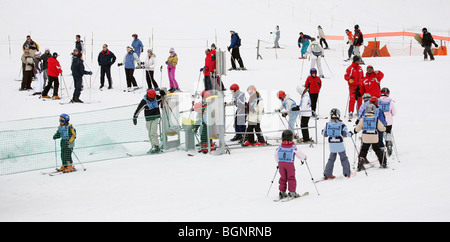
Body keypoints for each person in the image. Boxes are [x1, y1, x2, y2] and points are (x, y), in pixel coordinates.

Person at [274, 129, 307, 200]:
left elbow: (276, 155)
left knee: (283, 178)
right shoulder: (293, 147)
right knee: (291, 177)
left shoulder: (280, 147)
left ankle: (282, 191)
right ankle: (292, 192)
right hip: (289, 164)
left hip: (281, 164)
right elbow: (300, 154)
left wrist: (278, 162)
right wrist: (304, 157)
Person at [354, 104, 387, 170]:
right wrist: (385, 129)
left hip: (366, 137)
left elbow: (358, 127)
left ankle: (360, 163)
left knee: (364, 149)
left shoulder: (363, 118)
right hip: (374, 137)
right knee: (377, 149)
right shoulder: (376, 119)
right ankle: (383, 162)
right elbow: (380, 128)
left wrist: (355, 130)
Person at [133, 89, 166, 154]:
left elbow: (163, 98)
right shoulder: (144, 101)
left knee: (153, 132)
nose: (152, 99)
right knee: (150, 133)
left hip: (155, 117)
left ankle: (156, 146)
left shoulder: (156, 98)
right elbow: (139, 109)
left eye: (153, 98)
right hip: (148, 118)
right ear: (148, 96)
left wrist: (163, 94)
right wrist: (135, 117)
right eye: (151, 98)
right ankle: (153, 146)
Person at [322, 108, 352, 179]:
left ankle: (328, 173)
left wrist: (322, 131)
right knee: (344, 158)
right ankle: (347, 173)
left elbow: (324, 134)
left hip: (332, 144)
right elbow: (345, 134)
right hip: (339, 143)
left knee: (331, 159)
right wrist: (350, 134)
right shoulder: (341, 124)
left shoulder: (328, 124)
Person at [344, 55, 364, 121]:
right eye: (358, 60)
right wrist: (349, 79)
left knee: (360, 99)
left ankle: (359, 111)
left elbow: (362, 77)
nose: (359, 61)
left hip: (360, 85)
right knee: (352, 99)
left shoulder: (360, 68)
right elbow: (346, 76)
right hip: (353, 86)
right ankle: (350, 111)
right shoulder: (350, 68)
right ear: (355, 61)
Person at [378, 87, 396, 156]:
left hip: (380, 121)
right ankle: (388, 141)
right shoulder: (390, 101)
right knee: (388, 132)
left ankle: (381, 147)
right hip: (389, 121)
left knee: (380, 133)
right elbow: (394, 112)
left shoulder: (378, 100)